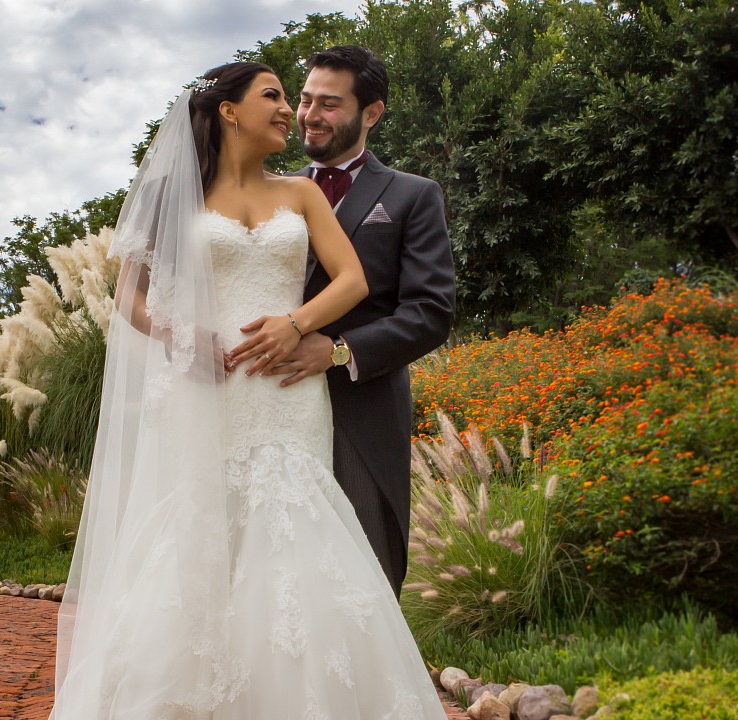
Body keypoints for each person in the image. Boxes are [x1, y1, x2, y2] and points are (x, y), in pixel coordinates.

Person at [50, 61, 447, 719]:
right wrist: (178, 337)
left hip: (288, 392)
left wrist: (299, 326)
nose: (291, 108)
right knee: (198, 536)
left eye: (298, 98)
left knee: (297, 536)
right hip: (208, 393)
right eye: (276, 95)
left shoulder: (301, 195)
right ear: (228, 111)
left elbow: (351, 282)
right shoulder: (179, 199)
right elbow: (130, 294)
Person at [267, 45, 457, 598]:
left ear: (370, 113)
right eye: (304, 100)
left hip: (362, 413)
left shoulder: (412, 195)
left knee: (364, 576)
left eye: (329, 104)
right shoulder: (266, 193)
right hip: (268, 406)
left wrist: (339, 350)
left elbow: (429, 312)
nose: (309, 114)